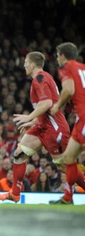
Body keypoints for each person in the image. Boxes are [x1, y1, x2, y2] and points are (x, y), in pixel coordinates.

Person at [0, 51, 70, 203]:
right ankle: (15, 194)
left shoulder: (40, 78)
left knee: (64, 167)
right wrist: (33, 122)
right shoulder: (42, 79)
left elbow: (47, 103)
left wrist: (29, 117)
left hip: (55, 129)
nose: (23, 65)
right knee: (19, 154)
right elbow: (48, 108)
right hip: (42, 126)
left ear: (32, 64)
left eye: (25, 62)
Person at [49, 42, 85, 204]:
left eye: (57, 55)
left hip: (84, 118)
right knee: (69, 158)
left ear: (62, 55)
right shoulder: (83, 68)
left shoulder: (66, 68)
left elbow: (69, 90)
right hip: (80, 120)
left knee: (68, 159)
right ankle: (67, 198)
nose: (57, 59)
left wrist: (57, 105)